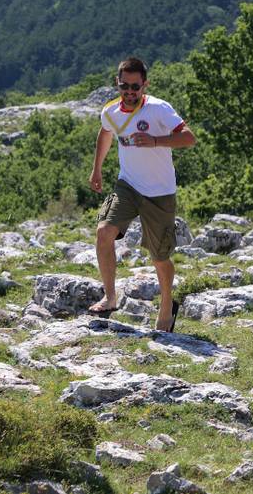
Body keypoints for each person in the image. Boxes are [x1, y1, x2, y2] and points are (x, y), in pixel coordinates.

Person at [88, 57, 196, 331]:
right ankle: (110, 297)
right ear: (118, 83)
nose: (130, 92)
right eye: (125, 86)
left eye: (135, 86)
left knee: (159, 256)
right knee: (104, 232)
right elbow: (106, 133)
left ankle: (167, 306)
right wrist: (97, 170)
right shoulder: (111, 111)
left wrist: (156, 141)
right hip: (127, 186)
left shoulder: (159, 109)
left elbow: (189, 138)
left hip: (159, 193)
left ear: (144, 85)